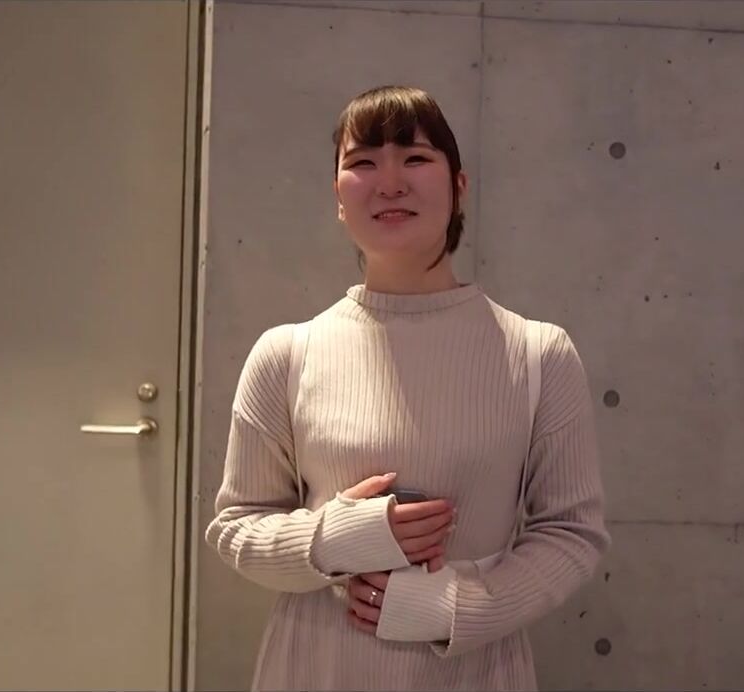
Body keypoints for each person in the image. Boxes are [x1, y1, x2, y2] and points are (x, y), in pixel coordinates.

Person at [206, 85, 610, 691]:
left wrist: (456, 609)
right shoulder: (287, 352)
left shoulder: (538, 354)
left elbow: (571, 533)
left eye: (415, 158)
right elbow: (236, 526)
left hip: (472, 668)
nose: (389, 182)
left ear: (459, 187)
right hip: (318, 665)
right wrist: (334, 539)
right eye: (363, 162)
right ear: (338, 196)